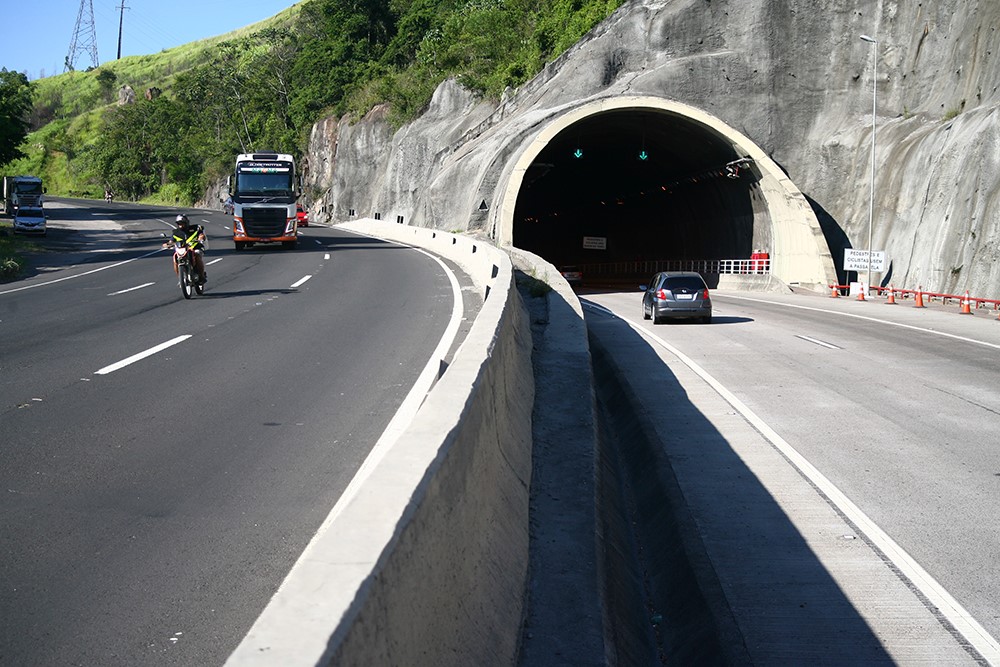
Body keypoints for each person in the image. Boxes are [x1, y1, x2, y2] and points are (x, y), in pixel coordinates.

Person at [165, 214, 207, 284]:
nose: (180, 225)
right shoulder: (175, 232)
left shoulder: (194, 228)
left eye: (182, 223)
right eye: (179, 223)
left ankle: (201, 276)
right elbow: (171, 241)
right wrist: (167, 244)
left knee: (197, 255)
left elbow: (201, 234)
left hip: (195, 247)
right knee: (175, 258)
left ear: (186, 223)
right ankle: (180, 278)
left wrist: (201, 238)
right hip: (182, 250)